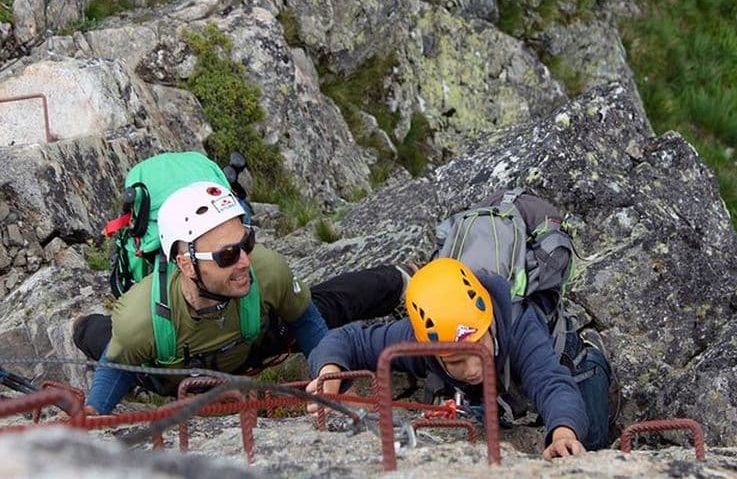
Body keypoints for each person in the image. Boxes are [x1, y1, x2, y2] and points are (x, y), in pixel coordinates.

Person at [72, 181, 411, 414]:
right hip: (170, 374)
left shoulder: (264, 270)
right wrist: (94, 410)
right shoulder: (142, 319)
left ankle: (399, 279)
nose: (245, 260)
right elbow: (116, 368)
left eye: (246, 243)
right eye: (227, 255)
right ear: (186, 264)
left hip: (253, 343)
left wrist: (327, 372)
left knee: (324, 303)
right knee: (103, 337)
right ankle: (82, 325)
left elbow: (307, 320)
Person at [306, 257, 612, 459]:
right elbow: (347, 339)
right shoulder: (420, 335)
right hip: (496, 381)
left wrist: (562, 433)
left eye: (477, 348)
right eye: (455, 361)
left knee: (591, 437)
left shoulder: (519, 324)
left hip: (567, 357)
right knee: (475, 419)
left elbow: (551, 382)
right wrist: (328, 372)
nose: (473, 368)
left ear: (490, 321)